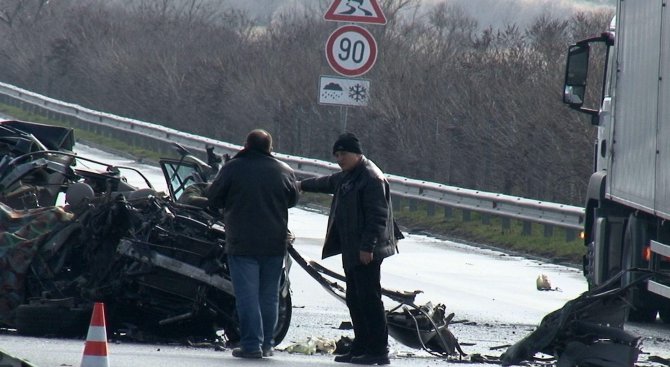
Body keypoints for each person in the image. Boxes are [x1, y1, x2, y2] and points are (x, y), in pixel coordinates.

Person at [298, 132, 403, 365]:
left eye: (343, 154)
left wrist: (368, 247)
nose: (339, 158)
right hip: (351, 247)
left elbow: (378, 217)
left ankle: (378, 350)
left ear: (356, 153)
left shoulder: (371, 177)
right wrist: (301, 185)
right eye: (336, 155)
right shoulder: (349, 175)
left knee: (369, 299)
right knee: (355, 298)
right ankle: (361, 346)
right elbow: (327, 182)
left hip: (367, 250)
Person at [207, 129, 299, 359]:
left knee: (247, 296)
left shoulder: (233, 168)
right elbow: (293, 199)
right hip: (274, 243)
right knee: (269, 297)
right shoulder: (284, 171)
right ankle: (267, 345)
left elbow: (213, 197)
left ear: (246, 145)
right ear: (270, 147)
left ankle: (251, 345)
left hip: (242, 243)